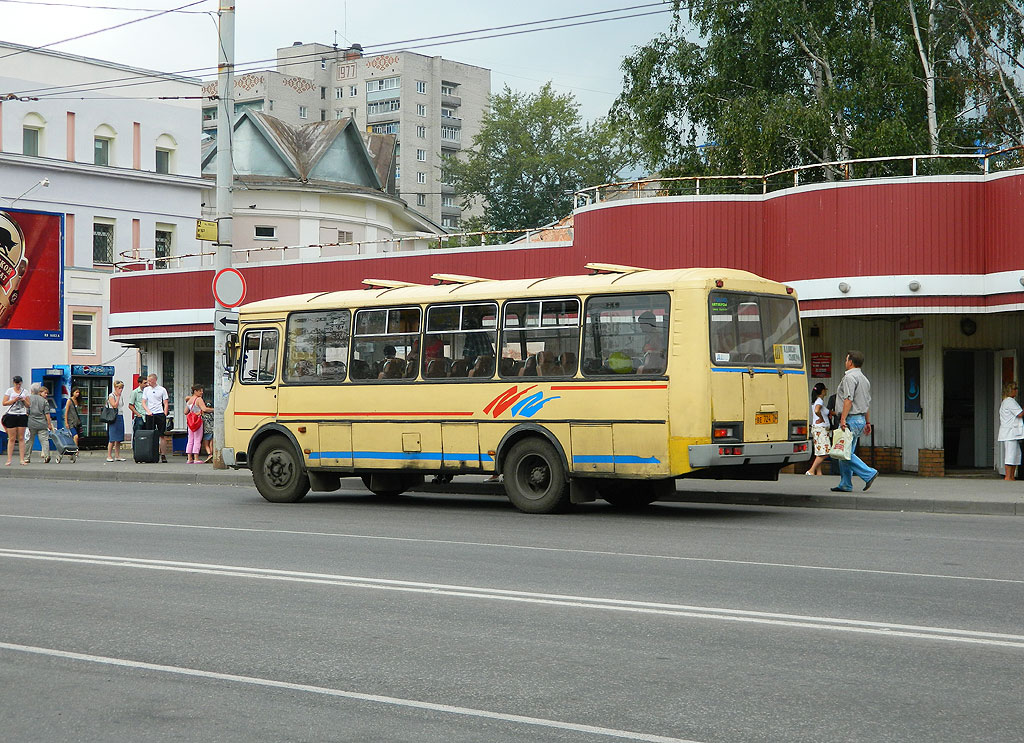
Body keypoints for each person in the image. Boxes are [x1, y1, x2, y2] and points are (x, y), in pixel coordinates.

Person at [832, 350, 879, 493]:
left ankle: (869, 473)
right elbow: (866, 403)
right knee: (845, 452)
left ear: (850, 362)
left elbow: (848, 399)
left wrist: (843, 418)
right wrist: (867, 422)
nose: (845, 362)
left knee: (844, 452)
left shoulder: (849, 378)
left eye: (846, 360)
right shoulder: (864, 379)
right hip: (860, 419)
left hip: (851, 419)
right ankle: (845, 483)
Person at [997, 380, 1024, 482]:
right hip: (1010, 433)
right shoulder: (1009, 401)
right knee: (1010, 454)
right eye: (1014, 389)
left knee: (1016, 454)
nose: (1016, 391)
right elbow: (1020, 414)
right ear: (1010, 390)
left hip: (1012, 433)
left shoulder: (1007, 401)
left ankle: (1012, 476)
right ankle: (1008, 476)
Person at [142, 373, 170, 463]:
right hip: (150, 414)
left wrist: (164, 413)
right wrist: (148, 411)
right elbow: (143, 402)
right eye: (148, 381)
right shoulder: (146, 390)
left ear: (155, 380)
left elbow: (165, 402)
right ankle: (151, 453)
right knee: (150, 434)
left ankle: (163, 454)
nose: (148, 383)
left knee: (162, 434)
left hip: (159, 413)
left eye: (150, 381)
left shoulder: (162, 389)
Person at [3, 375, 30, 466]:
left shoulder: (25, 392)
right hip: (12, 415)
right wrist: (14, 400)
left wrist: (23, 400)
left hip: (22, 414)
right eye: (16, 383)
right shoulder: (9, 391)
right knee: (12, 438)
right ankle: (9, 459)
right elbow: (4, 403)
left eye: (19, 383)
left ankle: (22, 459)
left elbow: (28, 405)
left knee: (21, 437)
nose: (18, 385)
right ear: (14, 383)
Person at [25, 384, 55, 464]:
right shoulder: (44, 401)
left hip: (31, 423)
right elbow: (47, 413)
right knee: (44, 440)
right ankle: (46, 455)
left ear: (31, 390)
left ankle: (27, 457)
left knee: (29, 441)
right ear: (39, 391)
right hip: (42, 423)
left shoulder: (28, 399)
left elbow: (27, 412)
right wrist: (49, 424)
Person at [184, 384, 213, 464]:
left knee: (190, 439)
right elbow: (204, 409)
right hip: (197, 421)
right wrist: (214, 409)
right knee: (197, 439)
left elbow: (185, 412)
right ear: (195, 391)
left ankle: (189, 458)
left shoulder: (189, 400)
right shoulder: (199, 399)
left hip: (190, 422)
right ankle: (196, 457)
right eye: (200, 391)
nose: (202, 392)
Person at [806, 382, 830, 476]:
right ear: (823, 391)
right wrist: (821, 418)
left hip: (817, 429)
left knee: (819, 451)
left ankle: (818, 472)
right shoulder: (819, 401)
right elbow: (817, 410)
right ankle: (811, 470)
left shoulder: (816, 400)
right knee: (825, 452)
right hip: (821, 429)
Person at [105, 380, 126, 462]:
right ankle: (109, 455)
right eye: (119, 388)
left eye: (122, 388)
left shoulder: (121, 396)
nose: (121, 390)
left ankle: (117, 455)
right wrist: (117, 397)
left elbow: (121, 405)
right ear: (115, 388)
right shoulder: (111, 395)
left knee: (119, 438)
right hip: (113, 417)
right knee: (112, 437)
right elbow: (114, 405)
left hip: (120, 416)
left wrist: (120, 397)